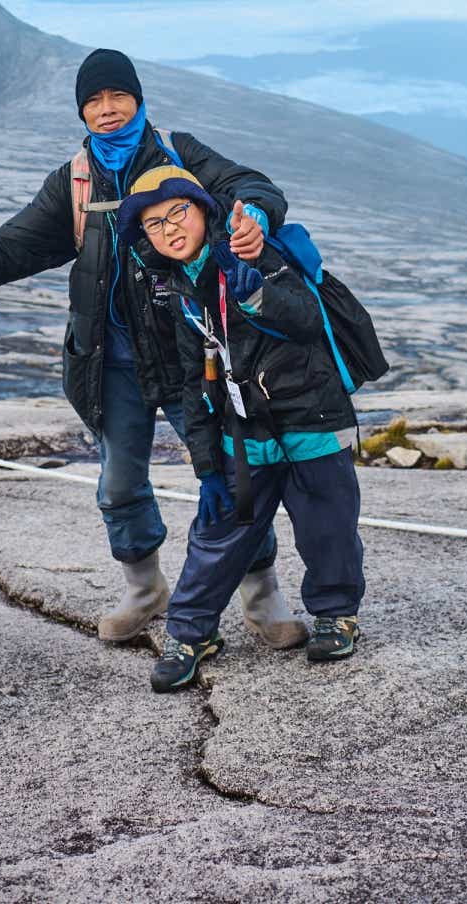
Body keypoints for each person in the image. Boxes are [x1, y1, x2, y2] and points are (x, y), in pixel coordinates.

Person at [0, 47, 305, 647]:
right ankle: (144, 590)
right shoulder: (76, 180)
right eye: (94, 101)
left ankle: (262, 599)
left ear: (138, 99)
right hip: (110, 362)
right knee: (120, 485)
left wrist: (253, 215)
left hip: (193, 357)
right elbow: (20, 244)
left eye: (118, 96)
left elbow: (250, 185)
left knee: (232, 476)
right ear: (81, 111)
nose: (107, 109)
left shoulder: (179, 154)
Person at [116, 162, 366, 693]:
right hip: (245, 434)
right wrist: (207, 466)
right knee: (216, 536)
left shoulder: (251, 250)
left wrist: (255, 294)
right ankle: (190, 634)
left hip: (312, 423)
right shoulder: (180, 285)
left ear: (203, 211)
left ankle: (336, 615)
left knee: (327, 529)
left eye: (178, 213)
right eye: (155, 224)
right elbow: (194, 380)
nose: (169, 229)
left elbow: (304, 320)